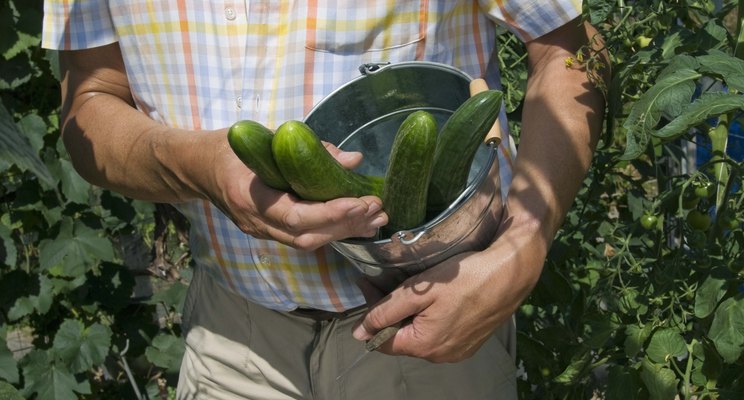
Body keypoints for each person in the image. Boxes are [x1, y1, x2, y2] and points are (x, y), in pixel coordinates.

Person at [42, 1, 606, 399]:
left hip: (433, 334)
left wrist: (524, 245)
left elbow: (572, 51)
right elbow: (90, 99)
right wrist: (199, 166)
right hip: (232, 344)